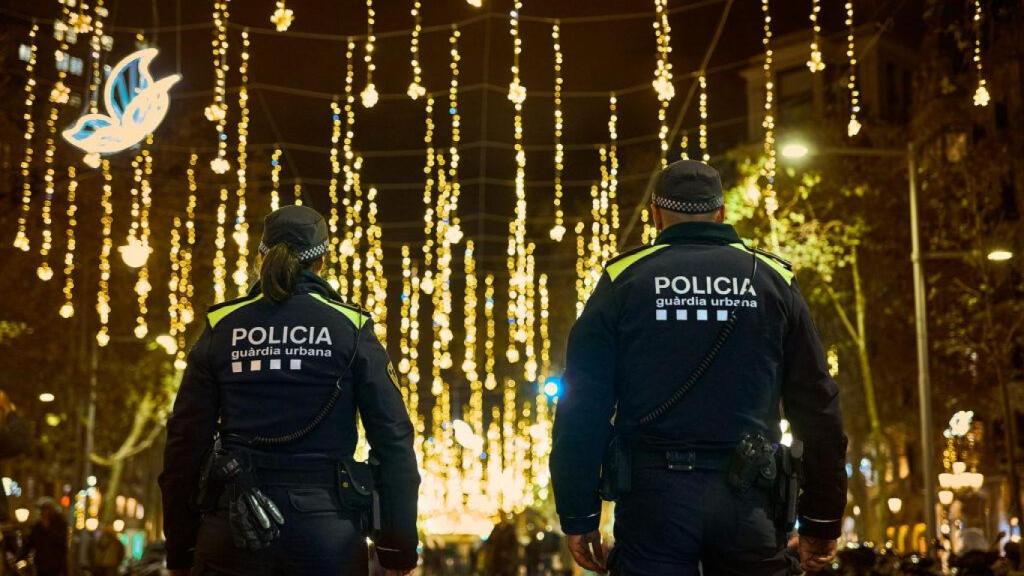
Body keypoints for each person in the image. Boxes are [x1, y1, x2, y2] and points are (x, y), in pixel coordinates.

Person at [550, 160, 848, 575]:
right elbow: (818, 406)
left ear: (656, 214)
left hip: (653, 501)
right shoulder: (772, 279)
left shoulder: (624, 279)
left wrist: (579, 514)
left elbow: (582, 407)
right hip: (750, 496)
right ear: (721, 212)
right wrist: (822, 517)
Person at [159, 205, 420, 576]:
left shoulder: (221, 325)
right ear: (323, 261)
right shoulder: (351, 328)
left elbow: (184, 444)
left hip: (233, 530)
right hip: (326, 537)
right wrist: (396, 547)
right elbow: (393, 441)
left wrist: (181, 547)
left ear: (260, 256)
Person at [19, 498, 68, 576]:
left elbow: (62, 543)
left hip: (56, 566)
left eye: (48, 509)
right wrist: (20, 558)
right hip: (41, 565)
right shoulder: (37, 527)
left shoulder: (60, 525)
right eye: (43, 510)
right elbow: (29, 544)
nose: (45, 512)